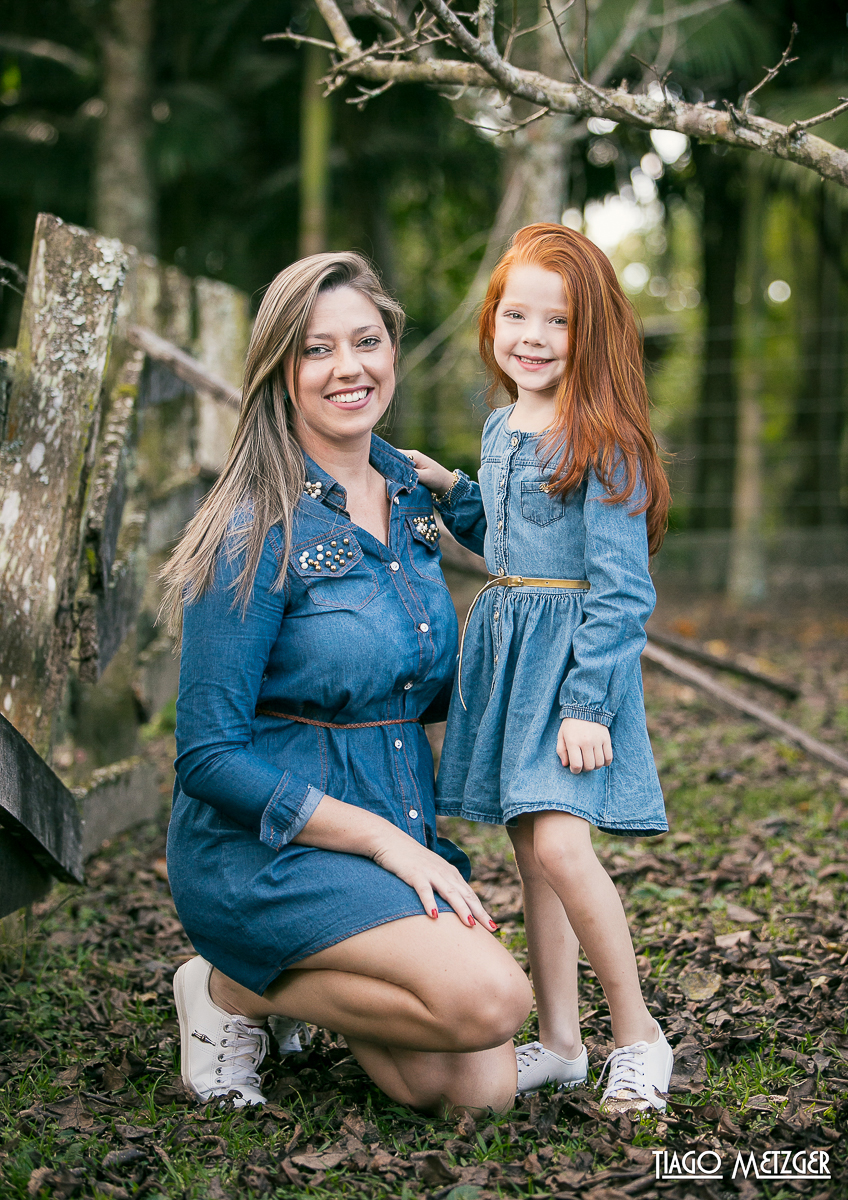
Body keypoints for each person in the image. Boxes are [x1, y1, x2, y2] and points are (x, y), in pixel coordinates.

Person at [160, 251, 532, 1115]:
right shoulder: (254, 528)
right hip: (267, 846)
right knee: (494, 1001)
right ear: (281, 372)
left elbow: (421, 669)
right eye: (317, 350)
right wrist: (382, 844)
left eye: (366, 341)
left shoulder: (412, 501)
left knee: (477, 1090)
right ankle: (227, 990)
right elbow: (206, 756)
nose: (348, 368)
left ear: (392, 350)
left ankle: (276, 981)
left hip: (390, 805)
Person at [405, 223, 674, 1115]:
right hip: (510, 645)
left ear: (587, 334)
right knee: (531, 853)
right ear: (492, 322)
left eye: (553, 321)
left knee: (562, 842)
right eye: (513, 314)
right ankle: (561, 1041)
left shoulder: (606, 439)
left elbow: (623, 588)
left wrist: (589, 701)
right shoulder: (499, 424)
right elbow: (504, 542)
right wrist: (452, 490)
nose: (529, 336)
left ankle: (637, 1035)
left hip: (569, 665)